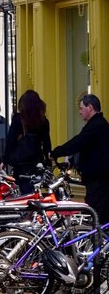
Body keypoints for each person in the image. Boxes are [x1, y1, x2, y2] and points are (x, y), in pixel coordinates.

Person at [51, 94, 109, 223]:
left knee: (96, 216)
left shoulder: (96, 125)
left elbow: (78, 142)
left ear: (90, 107)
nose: (79, 111)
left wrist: (56, 152)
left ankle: (99, 242)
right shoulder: (98, 124)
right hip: (98, 180)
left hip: (99, 181)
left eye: (81, 108)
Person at [3, 90, 51, 194]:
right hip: (36, 162)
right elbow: (47, 143)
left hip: (21, 163)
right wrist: (48, 160)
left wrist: (4, 160)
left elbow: (10, 141)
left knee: (22, 190)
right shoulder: (43, 121)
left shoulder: (18, 119)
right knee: (35, 188)